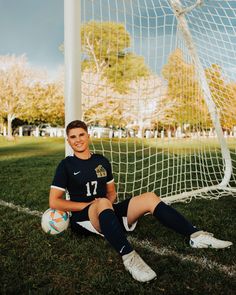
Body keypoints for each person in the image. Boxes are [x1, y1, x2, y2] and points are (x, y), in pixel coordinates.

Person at [49, 120, 232, 283]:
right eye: (73, 137)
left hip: (106, 211)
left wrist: (107, 205)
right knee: (103, 203)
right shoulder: (66, 165)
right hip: (83, 219)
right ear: (68, 141)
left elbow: (111, 193)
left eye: (81, 134)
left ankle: (196, 236)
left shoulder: (101, 161)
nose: (78, 139)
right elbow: (54, 202)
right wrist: (92, 205)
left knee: (150, 198)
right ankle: (130, 257)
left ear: (88, 135)